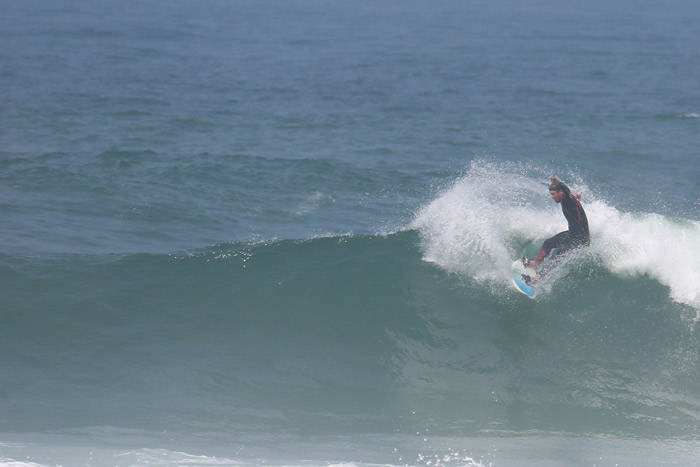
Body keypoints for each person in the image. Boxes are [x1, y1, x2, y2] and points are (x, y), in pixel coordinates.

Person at [525, 176, 590, 279]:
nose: (551, 197)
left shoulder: (569, 199)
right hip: (572, 234)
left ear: (561, 193)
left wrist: (559, 183)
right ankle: (535, 264)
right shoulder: (569, 200)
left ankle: (538, 277)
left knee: (558, 252)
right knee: (548, 242)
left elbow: (567, 191)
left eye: (553, 194)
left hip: (581, 239)